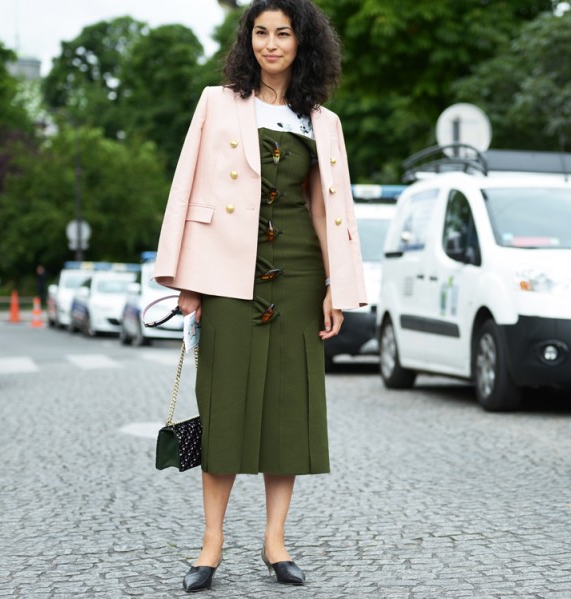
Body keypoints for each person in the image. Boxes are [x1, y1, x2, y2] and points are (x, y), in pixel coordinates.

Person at [152, 0, 367, 592]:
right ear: (248, 40)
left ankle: (276, 540)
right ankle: (211, 543)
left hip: (298, 275)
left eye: (284, 34)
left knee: (288, 409)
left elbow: (328, 209)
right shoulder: (216, 103)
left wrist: (335, 286)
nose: (271, 44)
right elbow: (187, 188)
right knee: (223, 407)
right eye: (261, 33)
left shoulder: (323, 122)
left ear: (303, 44)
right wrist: (187, 283)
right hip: (226, 277)